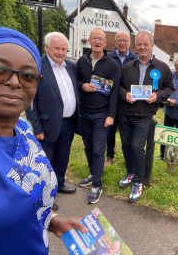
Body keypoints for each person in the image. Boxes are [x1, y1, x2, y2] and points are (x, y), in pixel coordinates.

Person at [0, 26, 88, 255]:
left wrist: (52, 221)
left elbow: (26, 194)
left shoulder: (22, 129)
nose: (14, 82)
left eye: (28, 75)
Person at [26, 32, 80, 211]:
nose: (60, 52)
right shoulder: (37, 67)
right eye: (56, 48)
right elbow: (30, 100)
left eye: (64, 49)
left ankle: (59, 184)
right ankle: (44, 196)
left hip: (68, 122)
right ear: (47, 48)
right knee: (45, 161)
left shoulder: (70, 67)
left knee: (62, 158)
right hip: (46, 125)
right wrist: (36, 127)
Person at [118, 30, 174, 202]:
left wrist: (157, 96)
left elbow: (169, 88)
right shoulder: (127, 67)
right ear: (136, 46)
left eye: (145, 44)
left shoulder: (162, 68)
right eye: (139, 45)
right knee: (126, 145)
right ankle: (130, 172)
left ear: (152, 45)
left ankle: (137, 181)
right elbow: (119, 87)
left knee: (136, 146)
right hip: (126, 113)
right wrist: (125, 94)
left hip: (144, 115)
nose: (142, 47)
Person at [77, 28, 120, 204]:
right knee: (87, 146)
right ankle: (93, 173)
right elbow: (75, 82)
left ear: (105, 43)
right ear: (89, 41)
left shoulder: (112, 65)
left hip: (102, 114)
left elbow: (115, 92)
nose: (96, 41)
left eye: (100, 39)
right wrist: (82, 86)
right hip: (84, 112)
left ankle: (97, 185)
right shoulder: (81, 61)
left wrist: (111, 115)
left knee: (98, 148)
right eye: (93, 38)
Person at [106, 31, 137, 167]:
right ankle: (109, 157)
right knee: (109, 132)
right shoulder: (108, 58)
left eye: (125, 40)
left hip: (129, 102)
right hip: (111, 100)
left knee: (127, 134)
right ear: (115, 42)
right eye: (120, 40)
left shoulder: (136, 58)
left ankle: (128, 159)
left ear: (130, 42)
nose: (122, 43)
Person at [155, 53, 178, 162]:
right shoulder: (172, 75)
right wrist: (165, 98)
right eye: (175, 68)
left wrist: (177, 103)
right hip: (168, 112)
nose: (177, 70)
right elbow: (165, 89)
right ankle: (163, 154)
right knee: (165, 135)